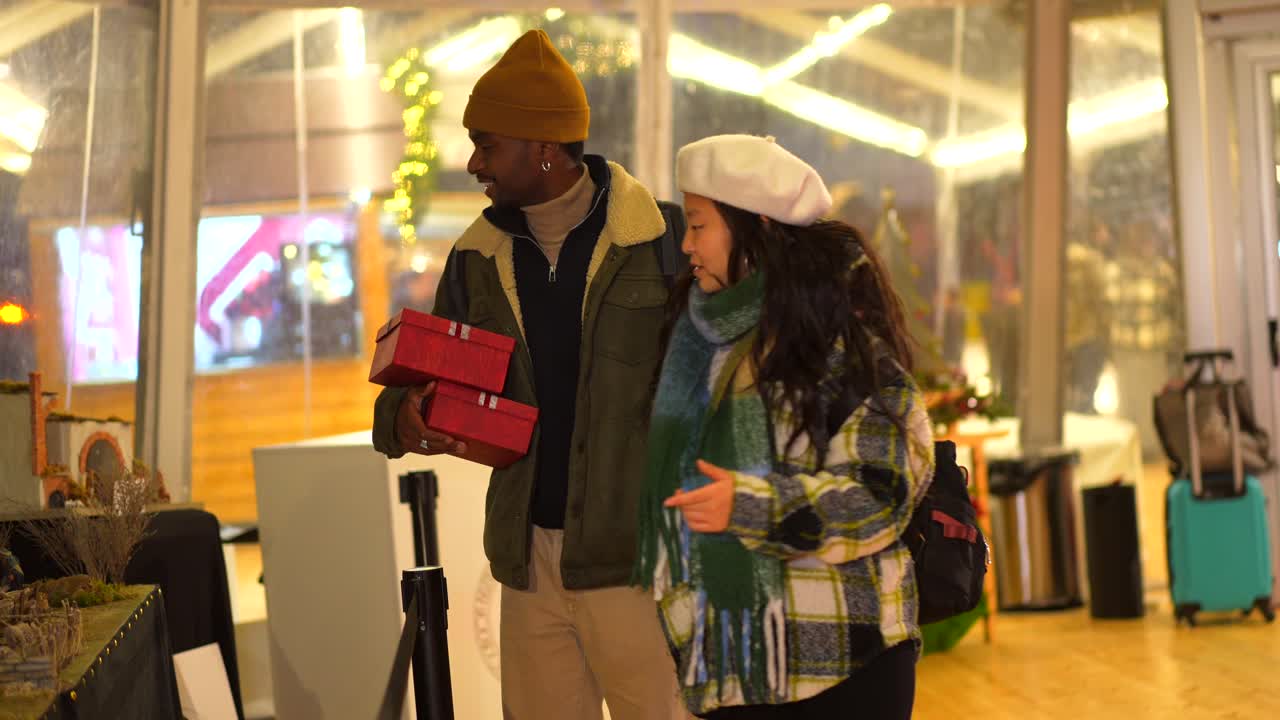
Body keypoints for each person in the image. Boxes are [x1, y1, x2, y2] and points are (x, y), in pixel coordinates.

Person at [371, 30, 686, 720]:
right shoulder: (475, 258)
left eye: (487, 144)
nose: (473, 162)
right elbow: (410, 387)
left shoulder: (663, 242)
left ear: (544, 147)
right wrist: (407, 414)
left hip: (642, 562)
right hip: (527, 565)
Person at [634, 135, 935, 719]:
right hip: (734, 671)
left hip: (841, 667)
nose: (687, 244)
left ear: (759, 229)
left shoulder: (842, 346)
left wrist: (747, 506)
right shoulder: (704, 344)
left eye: (699, 225)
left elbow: (879, 493)